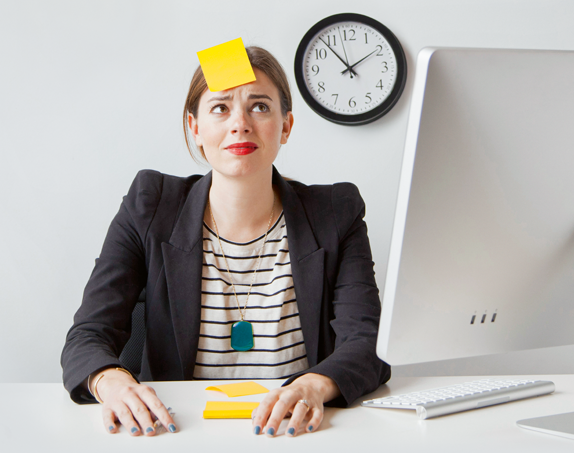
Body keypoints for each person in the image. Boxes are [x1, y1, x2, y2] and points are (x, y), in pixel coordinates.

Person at [61, 46, 390, 438]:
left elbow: (367, 343)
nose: (240, 123)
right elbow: (88, 334)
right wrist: (112, 381)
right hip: (176, 433)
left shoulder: (336, 213)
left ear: (286, 125)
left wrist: (311, 386)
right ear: (195, 127)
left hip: (298, 434)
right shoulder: (150, 205)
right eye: (220, 108)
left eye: (260, 107)